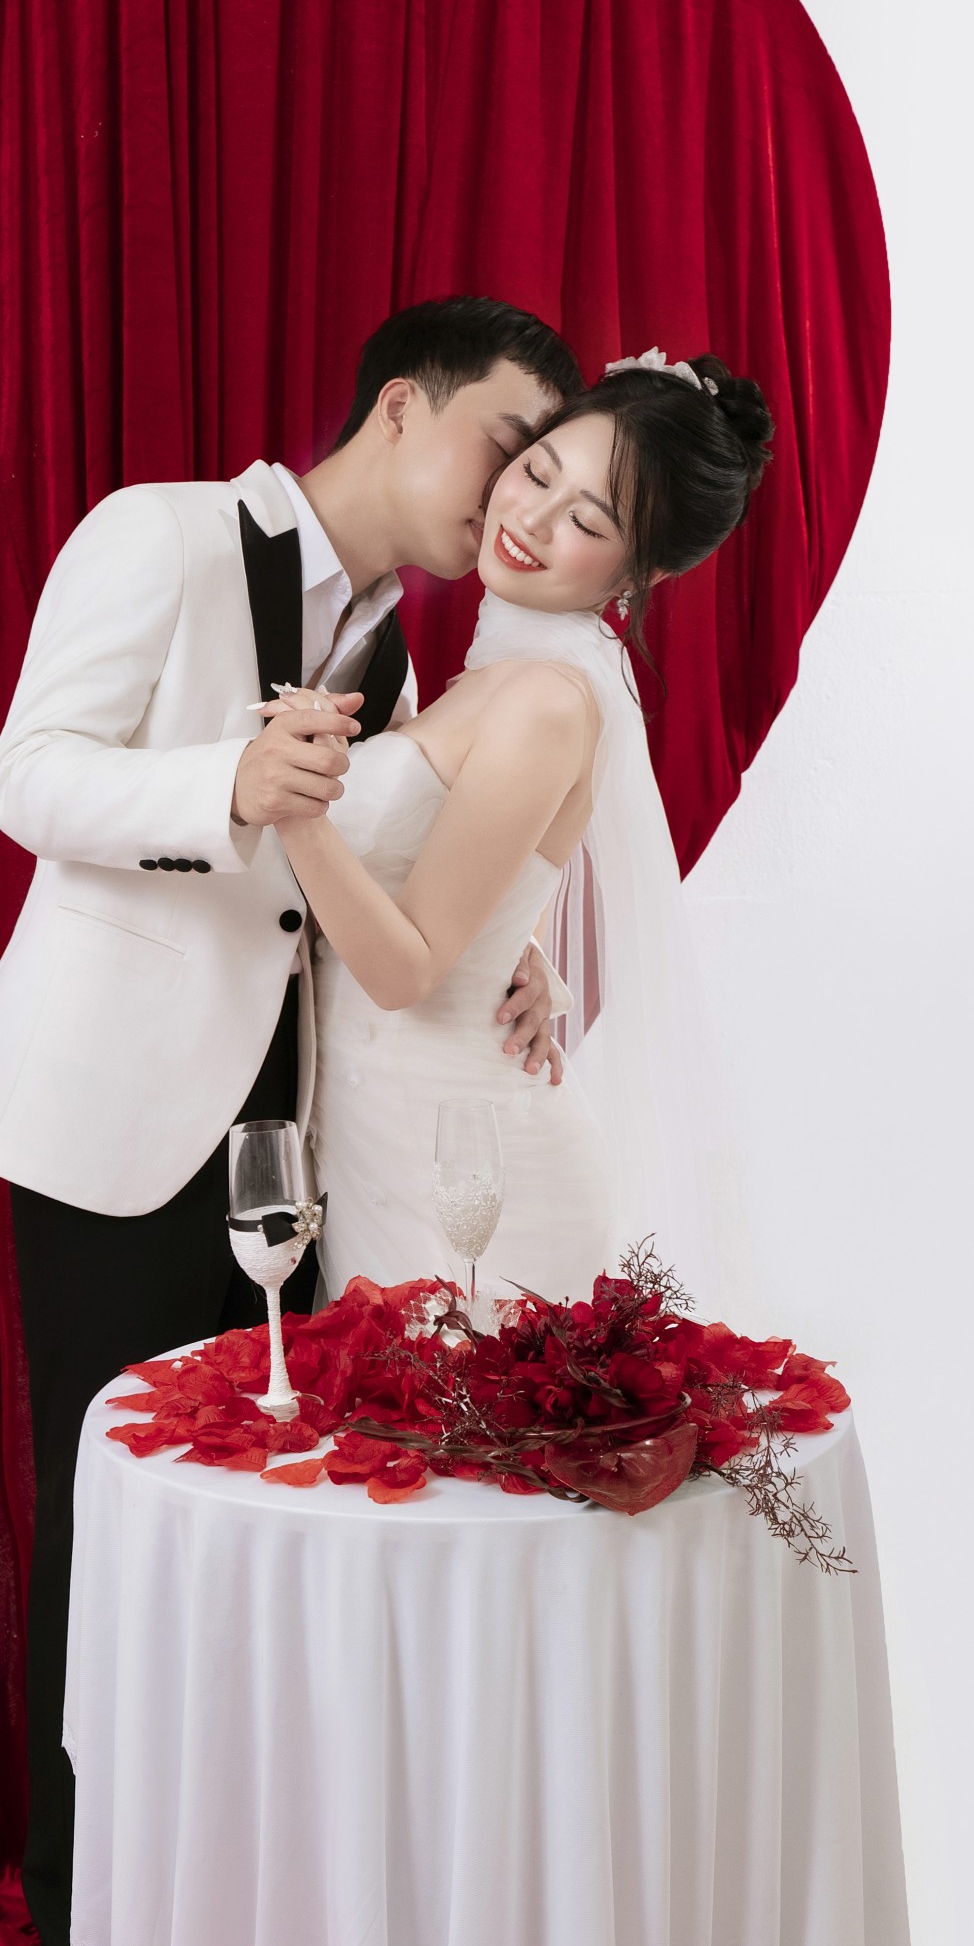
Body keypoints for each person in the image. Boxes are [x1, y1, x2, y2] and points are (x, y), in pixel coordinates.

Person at [0, 296, 585, 1946]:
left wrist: (521, 953)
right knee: (110, 1555)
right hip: (118, 1132)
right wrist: (223, 782)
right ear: (404, 407)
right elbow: (28, 774)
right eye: (508, 440)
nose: (517, 489)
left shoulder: (406, 644)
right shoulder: (156, 534)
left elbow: (388, 882)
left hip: (300, 1156)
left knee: (246, 1570)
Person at [270, 349, 775, 1314]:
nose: (533, 521)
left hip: (475, 1180)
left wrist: (295, 807)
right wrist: (523, 947)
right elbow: (472, 879)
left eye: (587, 521)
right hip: (386, 1149)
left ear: (644, 572)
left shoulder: (544, 698)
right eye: (538, 472)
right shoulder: (503, 672)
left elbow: (406, 972)